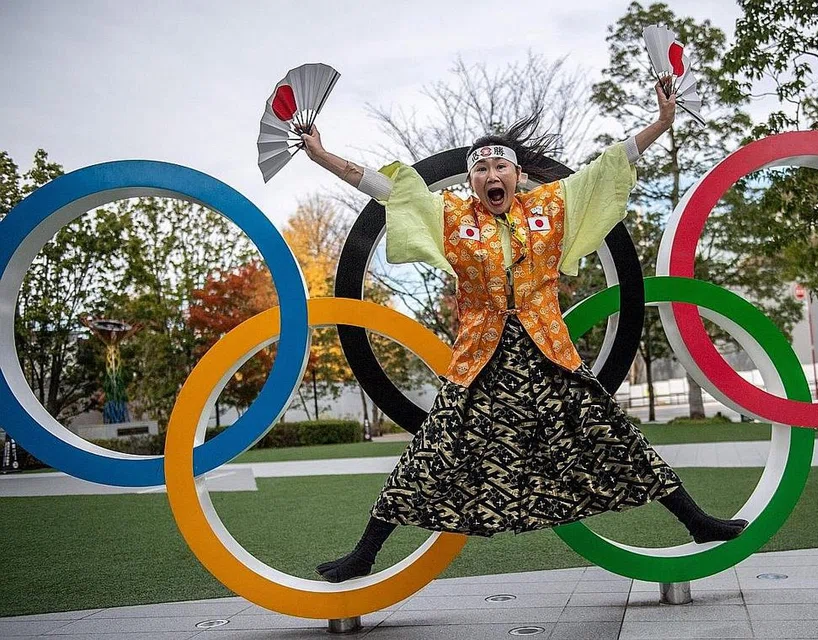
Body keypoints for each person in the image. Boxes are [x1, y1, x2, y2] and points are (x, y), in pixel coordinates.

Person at [300, 81, 748, 583]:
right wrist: (322, 156)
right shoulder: (450, 214)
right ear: (471, 179)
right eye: (481, 168)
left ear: (517, 174)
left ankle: (696, 522)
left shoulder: (550, 208)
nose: (492, 175)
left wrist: (662, 123)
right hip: (480, 361)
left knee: (612, 434)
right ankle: (364, 553)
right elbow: (388, 189)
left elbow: (607, 167)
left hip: (549, 353)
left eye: (500, 166)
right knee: (434, 447)